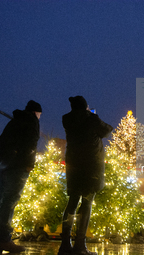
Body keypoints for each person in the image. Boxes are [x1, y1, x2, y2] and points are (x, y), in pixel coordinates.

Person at [0, 100, 42, 254]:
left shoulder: (14, 121)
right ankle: (3, 239)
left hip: (2, 166)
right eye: (39, 114)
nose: (39, 117)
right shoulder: (32, 121)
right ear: (35, 112)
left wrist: (0, 163)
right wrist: (29, 164)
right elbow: (31, 144)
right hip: (17, 167)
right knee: (10, 201)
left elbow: (1, 142)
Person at [58, 96, 113, 255]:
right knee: (87, 203)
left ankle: (65, 243)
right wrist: (91, 114)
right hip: (90, 168)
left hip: (74, 166)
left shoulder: (67, 120)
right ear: (85, 107)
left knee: (72, 202)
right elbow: (108, 131)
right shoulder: (91, 119)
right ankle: (80, 245)